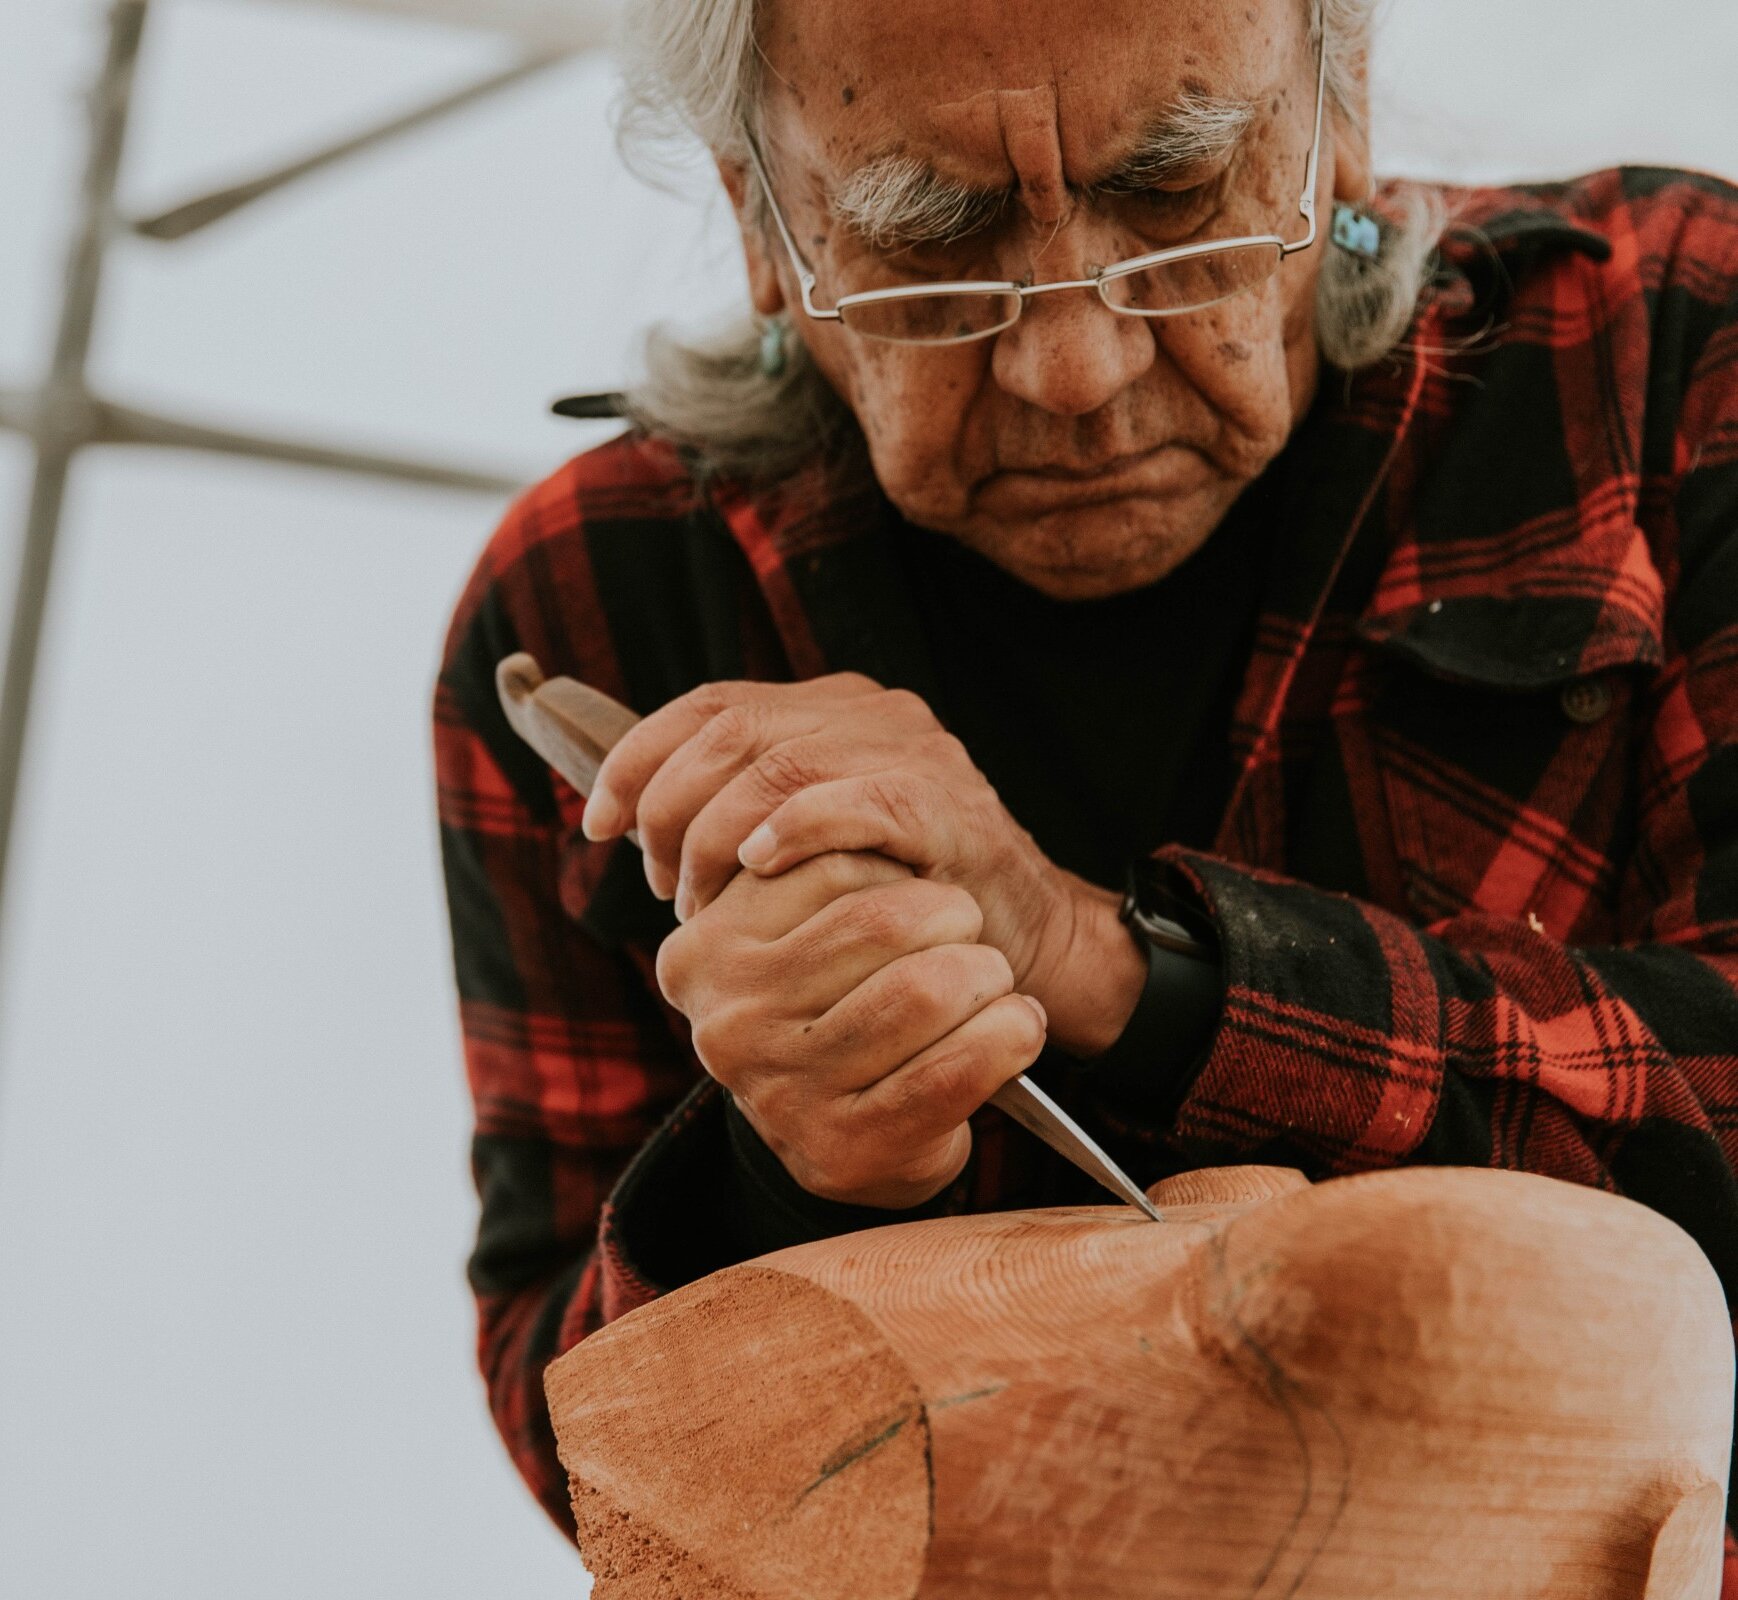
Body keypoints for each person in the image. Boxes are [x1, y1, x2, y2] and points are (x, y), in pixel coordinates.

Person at [433, 0, 1738, 1579]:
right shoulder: (601, 602)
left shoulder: (1672, 354)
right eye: (935, 244)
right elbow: (586, 1456)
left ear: (1343, 117)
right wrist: (790, 1178)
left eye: (1175, 191)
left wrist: (1107, 969)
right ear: (758, 223)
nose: (1073, 365)